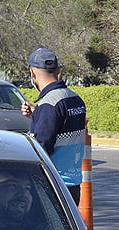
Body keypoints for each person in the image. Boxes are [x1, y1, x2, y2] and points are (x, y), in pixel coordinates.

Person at [21, 48, 87, 205]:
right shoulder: (75, 99)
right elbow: (63, 128)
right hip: (73, 183)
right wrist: (37, 115)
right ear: (58, 71)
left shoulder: (49, 105)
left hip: (53, 184)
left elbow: (41, 147)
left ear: (32, 73)